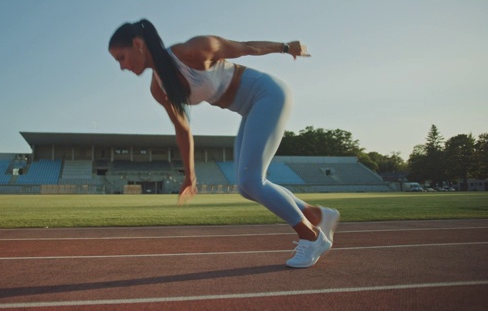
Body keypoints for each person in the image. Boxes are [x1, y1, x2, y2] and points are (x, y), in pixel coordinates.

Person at [108, 19, 339, 268]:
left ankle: (312, 237)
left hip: (268, 94)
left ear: (137, 44)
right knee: (246, 187)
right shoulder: (159, 88)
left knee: (252, 181)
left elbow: (245, 47)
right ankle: (315, 214)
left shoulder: (192, 50)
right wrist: (190, 175)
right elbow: (183, 128)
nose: (121, 67)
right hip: (249, 110)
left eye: (121, 57)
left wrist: (285, 47)